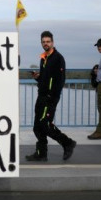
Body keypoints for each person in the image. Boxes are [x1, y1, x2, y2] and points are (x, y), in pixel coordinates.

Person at [25, 31, 77, 161]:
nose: (45, 44)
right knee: (37, 126)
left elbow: (60, 81)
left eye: (48, 41)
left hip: (50, 98)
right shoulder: (43, 58)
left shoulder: (58, 58)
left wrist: (52, 98)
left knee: (45, 124)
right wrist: (38, 77)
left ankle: (67, 143)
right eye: (43, 42)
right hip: (41, 96)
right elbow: (45, 79)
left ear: (52, 42)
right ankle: (41, 153)